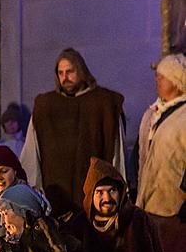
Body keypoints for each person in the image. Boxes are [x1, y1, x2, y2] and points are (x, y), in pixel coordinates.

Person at [20, 47, 125, 216]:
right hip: (55, 193)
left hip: (95, 195)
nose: (65, 77)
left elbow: (117, 152)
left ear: (81, 71)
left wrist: (119, 190)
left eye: (70, 71)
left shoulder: (104, 103)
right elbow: (32, 153)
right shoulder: (45, 106)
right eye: (60, 73)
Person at [135, 53, 186, 252]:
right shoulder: (152, 114)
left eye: (163, 75)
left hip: (174, 209)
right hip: (148, 207)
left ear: (177, 80)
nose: (157, 79)